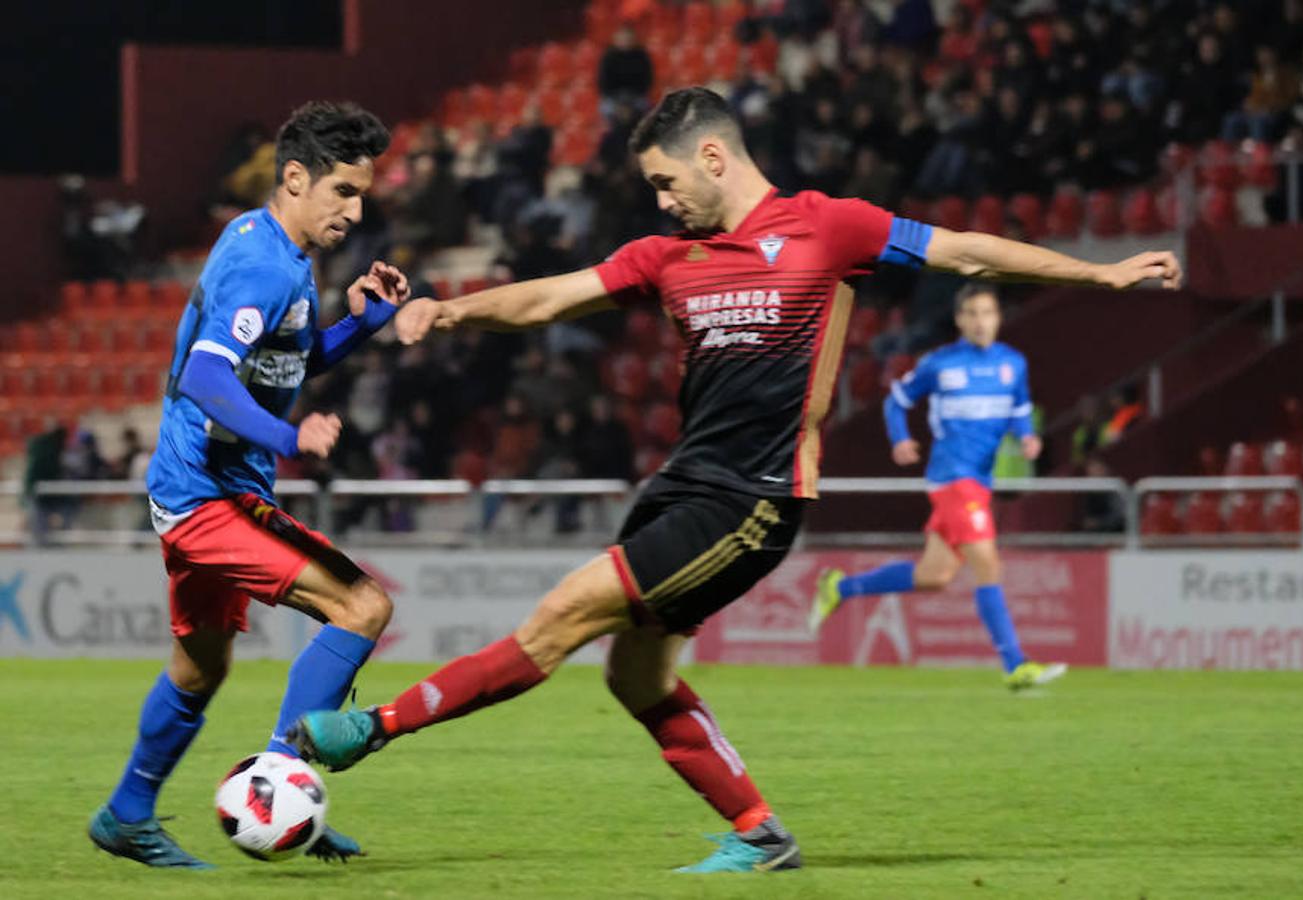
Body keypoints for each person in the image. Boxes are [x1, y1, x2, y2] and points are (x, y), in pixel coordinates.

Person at [290, 87, 1181, 874]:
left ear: (713, 156)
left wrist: (1099, 272)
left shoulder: (830, 227)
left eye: (667, 182)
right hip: (685, 485)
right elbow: (553, 297)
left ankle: (377, 729)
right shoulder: (670, 257)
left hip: (754, 498)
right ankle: (759, 835)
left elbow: (968, 253)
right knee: (635, 679)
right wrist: (451, 310)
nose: (662, 200)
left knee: (563, 614)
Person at [88, 101, 411, 869]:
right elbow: (206, 375)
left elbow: (277, 363)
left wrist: (358, 325)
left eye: (361, 194)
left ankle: (127, 815)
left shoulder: (268, 247)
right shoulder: (269, 266)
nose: (354, 210)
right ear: (295, 179)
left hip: (190, 489)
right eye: (342, 191)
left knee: (201, 667)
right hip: (212, 497)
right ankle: (284, 784)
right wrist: (289, 437)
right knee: (362, 606)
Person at [808, 283, 1066, 690]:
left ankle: (839, 587)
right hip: (952, 478)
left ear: (998, 318)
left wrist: (1027, 435)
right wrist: (900, 439)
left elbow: (1018, 408)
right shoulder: (941, 364)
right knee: (988, 563)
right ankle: (1015, 664)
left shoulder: (1012, 364)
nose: (981, 322)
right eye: (973, 314)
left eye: (988, 314)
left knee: (934, 575)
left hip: (979, 481)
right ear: (961, 320)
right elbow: (896, 400)